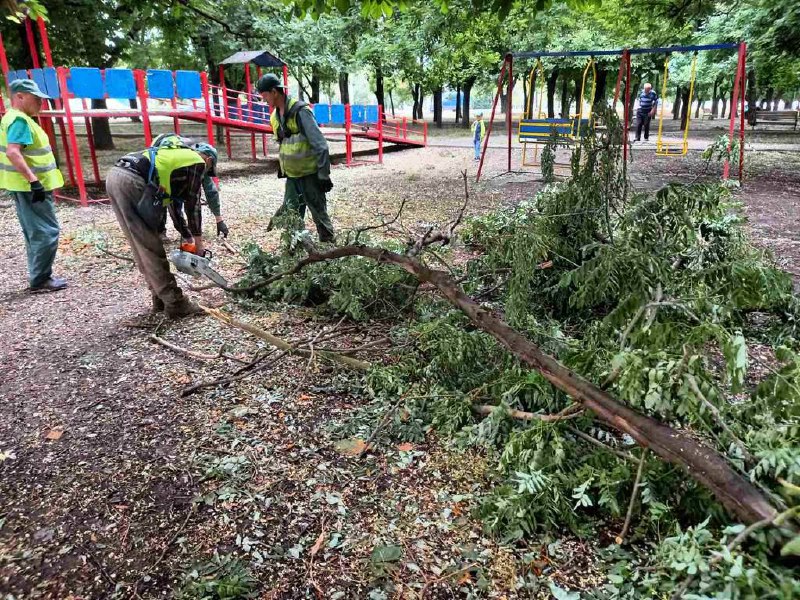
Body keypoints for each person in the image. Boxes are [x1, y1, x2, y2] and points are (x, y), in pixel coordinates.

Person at [106, 137, 215, 318]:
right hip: (132, 180)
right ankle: (175, 302)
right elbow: (192, 205)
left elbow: (174, 207)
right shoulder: (197, 163)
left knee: (139, 245)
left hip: (116, 175)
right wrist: (199, 244)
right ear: (208, 160)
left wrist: (187, 237)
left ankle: (159, 296)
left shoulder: (176, 160)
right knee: (150, 246)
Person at [0, 79, 66, 292]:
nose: (40, 103)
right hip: (31, 188)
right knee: (46, 231)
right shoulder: (19, 121)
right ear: (20, 96)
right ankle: (40, 279)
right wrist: (34, 182)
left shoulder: (15, 118)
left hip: (23, 186)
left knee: (35, 231)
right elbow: (13, 152)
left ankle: (39, 276)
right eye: (36, 99)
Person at [256, 73, 334, 243]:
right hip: (292, 176)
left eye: (264, 96)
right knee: (292, 215)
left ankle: (329, 251)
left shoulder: (301, 111)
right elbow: (285, 145)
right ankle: (296, 248)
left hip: (310, 175)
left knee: (319, 213)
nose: (264, 100)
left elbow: (320, 144)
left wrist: (323, 174)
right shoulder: (274, 118)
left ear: (274, 92)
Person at [151, 133, 228, 242]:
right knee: (162, 197)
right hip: (161, 169)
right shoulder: (184, 158)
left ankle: (184, 232)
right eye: (210, 167)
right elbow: (175, 201)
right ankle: (160, 231)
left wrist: (219, 220)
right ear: (209, 160)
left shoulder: (200, 164)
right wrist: (189, 236)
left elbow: (211, 191)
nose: (207, 170)